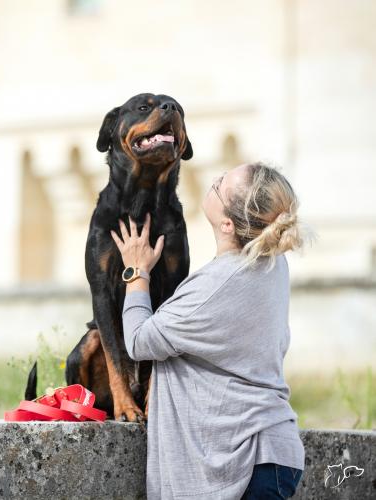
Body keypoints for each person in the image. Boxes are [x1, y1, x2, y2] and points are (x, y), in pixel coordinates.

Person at [110, 162, 310, 499]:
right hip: (271, 451)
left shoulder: (220, 284)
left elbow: (139, 340)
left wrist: (136, 270)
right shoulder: (272, 262)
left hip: (249, 460)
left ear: (228, 224)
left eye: (220, 184)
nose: (213, 179)